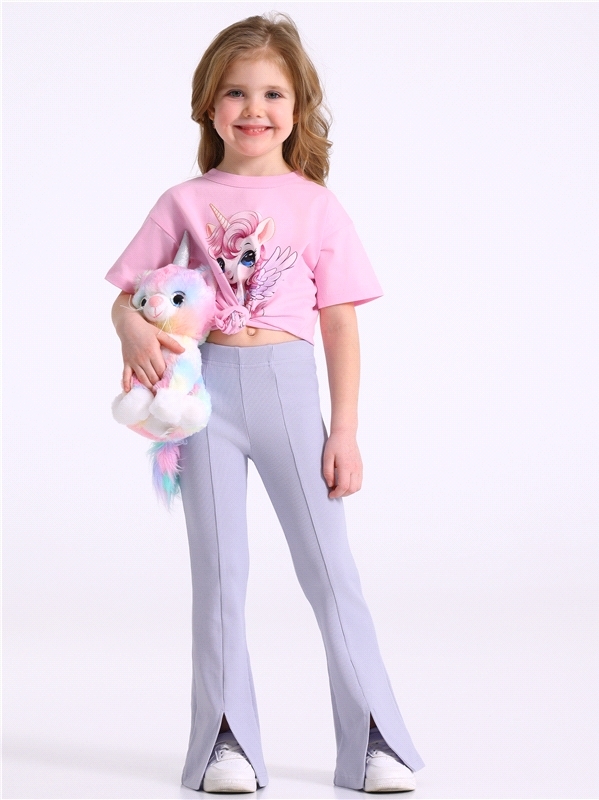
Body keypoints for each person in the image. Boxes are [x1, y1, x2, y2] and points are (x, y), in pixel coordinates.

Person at [107, 13, 424, 794]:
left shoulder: (316, 206)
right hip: (203, 398)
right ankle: (226, 742)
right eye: (236, 92)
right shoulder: (183, 200)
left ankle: (374, 739)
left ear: (298, 105)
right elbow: (127, 295)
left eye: (273, 93)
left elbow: (339, 323)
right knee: (219, 573)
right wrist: (131, 331)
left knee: (329, 571)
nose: (254, 108)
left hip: (288, 391)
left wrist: (343, 431)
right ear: (208, 107)